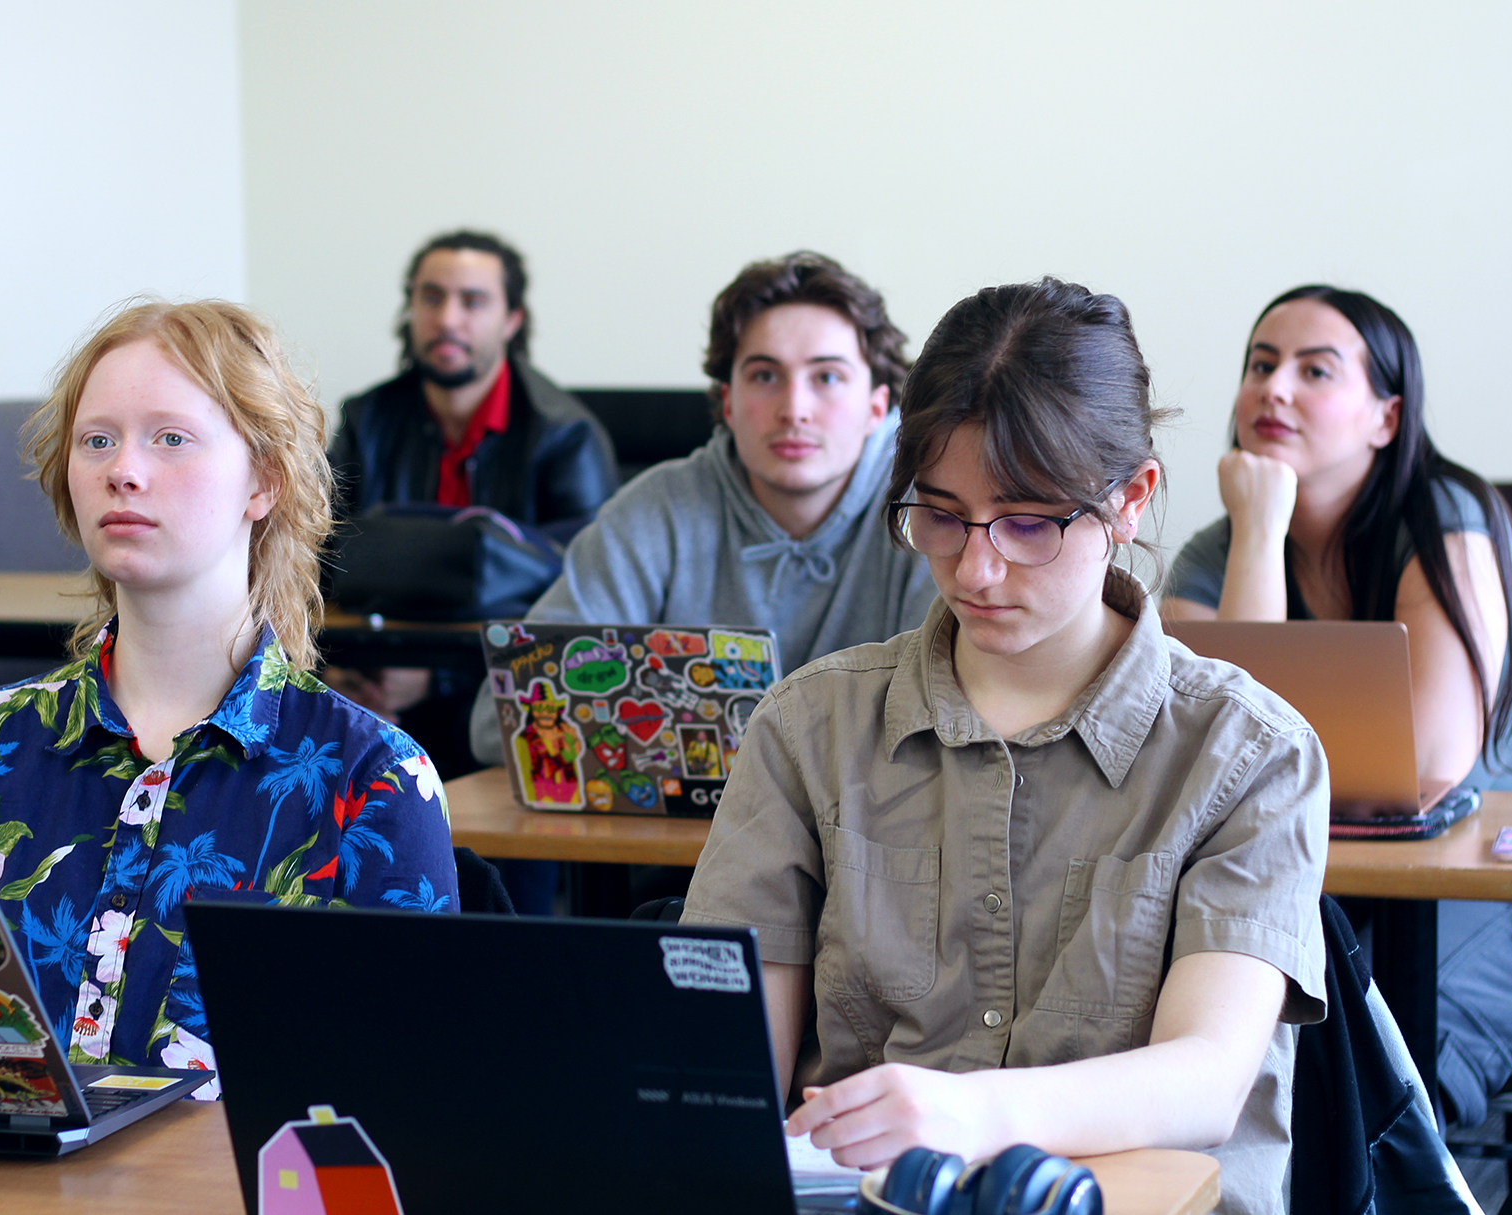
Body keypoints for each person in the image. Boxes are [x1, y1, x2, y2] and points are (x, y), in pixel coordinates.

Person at [682, 279, 1329, 1215]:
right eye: (940, 515)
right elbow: (725, 1080)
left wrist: (970, 1113)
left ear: (1132, 499)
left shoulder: (1246, 752)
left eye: (1029, 522)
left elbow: (1209, 1077)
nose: (976, 568)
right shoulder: (807, 727)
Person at [0, 299, 458, 1092]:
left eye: (170, 438)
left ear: (265, 480)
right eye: (97, 439)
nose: (124, 469)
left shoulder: (375, 777)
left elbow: (410, 1097)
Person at [1163, 285, 1512, 1127]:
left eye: (1316, 369)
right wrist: (1261, 532)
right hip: (1317, 892)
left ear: (1386, 417)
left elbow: (1431, 763)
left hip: (1497, 901)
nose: (1274, 389)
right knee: (1238, 1045)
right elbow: (1218, 764)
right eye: (1261, 365)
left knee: (1366, 1069)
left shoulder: (1445, 517)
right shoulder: (1220, 550)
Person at [468, 250, 936, 766]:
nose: (794, 409)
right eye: (764, 375)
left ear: (877, 406)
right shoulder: (655, 511)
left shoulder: (932, 513)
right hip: (678, 841)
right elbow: (501, 722)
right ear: (728, 402)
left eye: (826, 377)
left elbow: (942, 727)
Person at [327, 230, 618, 766]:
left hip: (503, 698)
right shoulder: (366, 420)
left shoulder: (565, 436)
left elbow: (588, 598)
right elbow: (313, 558)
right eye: (431, 297)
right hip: (366, 685)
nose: (447, 319)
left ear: (513, 320)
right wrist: (336, 668)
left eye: (473, 301)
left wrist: (434, 676)